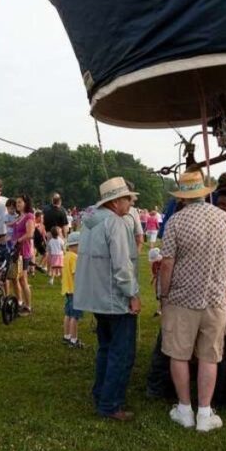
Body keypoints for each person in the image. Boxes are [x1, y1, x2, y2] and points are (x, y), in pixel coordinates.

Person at [157, 170, 226, 432]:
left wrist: (163, 293)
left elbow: (167, 263)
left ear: (182, 197)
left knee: (178, 354)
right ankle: (204, 414)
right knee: (210, 356)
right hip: (215, 298)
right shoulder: (223, 218)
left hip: (181, 298)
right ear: (205, 193)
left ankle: (184, 410)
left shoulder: (175, 221)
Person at [74, 177, 141, 421]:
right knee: (121, 353)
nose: (130, 204)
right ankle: (111, 404)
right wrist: (132, 294)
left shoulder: (91, 221)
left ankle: (101, 393)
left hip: (96, 296)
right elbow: (122, 265)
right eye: (128, 199)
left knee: (105, 348)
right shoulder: (116, 223)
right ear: (115, 201)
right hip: (114, 298)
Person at [9, 195, 36, 315]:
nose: (17, 204)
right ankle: (20, 302)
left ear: (26, 203)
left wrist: (18, 240)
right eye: (17, 202)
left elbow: (30, 234)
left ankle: (28, 306)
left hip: (23, 251)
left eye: (20, 202)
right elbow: (10, 226)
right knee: (16, 278)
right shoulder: (20, 216)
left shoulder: (29, 216)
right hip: (15, 251)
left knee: (23, 280)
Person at [60, 231, 83, 348]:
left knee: (68, 314)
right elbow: (76, 274)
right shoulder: (75, 258)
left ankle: (66, 335)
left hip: (67, 289)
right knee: (75, 316)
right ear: (75, 245)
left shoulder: (66, 256)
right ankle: (74, 340)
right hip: (75, 291)